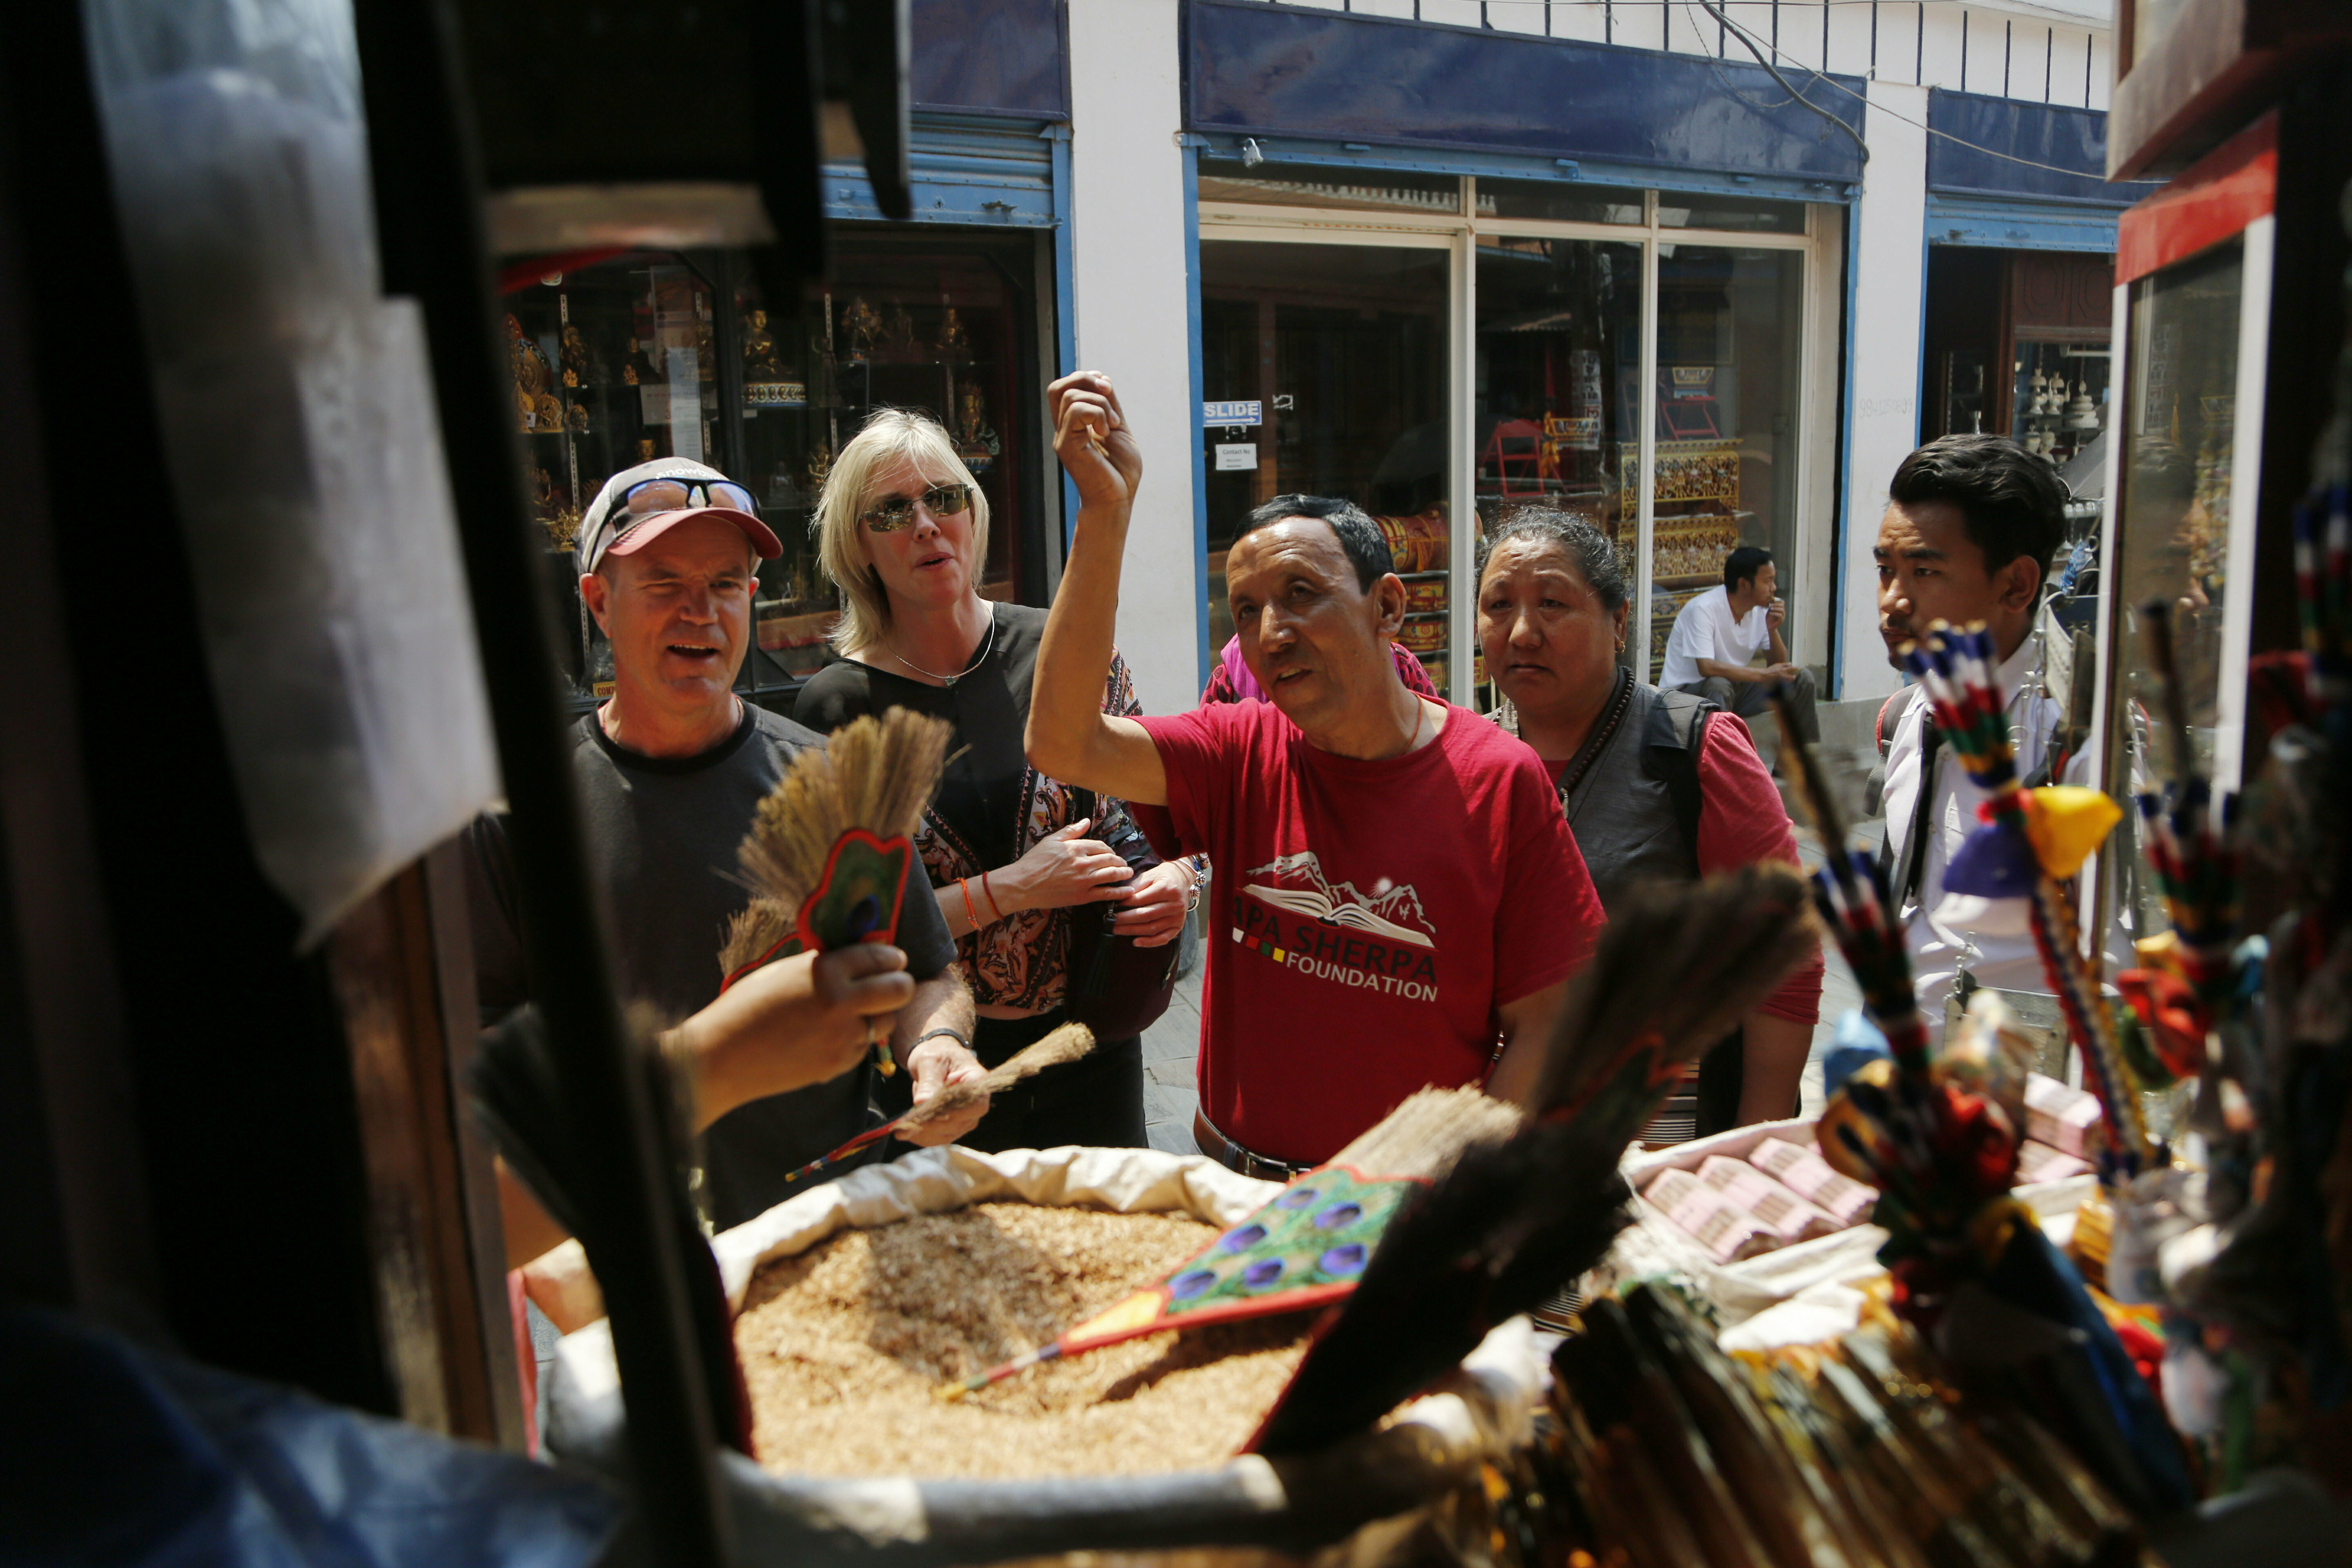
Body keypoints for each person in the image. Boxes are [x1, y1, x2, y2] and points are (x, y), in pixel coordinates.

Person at [1025, 374, 1605, 1178]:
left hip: (1407, 1220)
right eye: (1247, 610)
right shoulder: (1235, 752)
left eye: (1303, 594)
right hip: (1240, 1189)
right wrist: (1105, 513)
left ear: (1388, 607)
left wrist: (1447, 1186)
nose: (1273, 632)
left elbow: (1552, 1021)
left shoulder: (1497, 781)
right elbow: (1062, 742)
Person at [464, 457, 985, 1235]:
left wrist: (939, 1044)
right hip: (630, 1261)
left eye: (726, 583)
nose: (699, 612)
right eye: (665, 583)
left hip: (831, 1234)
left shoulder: (840, 780)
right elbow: (485, 1064)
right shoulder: (519, 821)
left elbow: (925, 971)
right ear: (599, 602)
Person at [793, 410, 1194, 1151]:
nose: (925, 525)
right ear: (858, 547)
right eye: (892, 510)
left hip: (1093, 1044)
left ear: (972, 512)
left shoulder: (1060, 646)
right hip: (940, 1064)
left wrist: (1178, 880)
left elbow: (1163, 820)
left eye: (944, 498)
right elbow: (853, 933)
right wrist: (1014, 888)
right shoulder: (839, 706)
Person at [1477, 510, 1822, 1137]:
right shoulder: (1471, 756)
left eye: (1552, 603)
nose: (1522, 632)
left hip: (1662, 1136)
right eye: (1499, 605)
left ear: (1618, 621)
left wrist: (1751, 1147)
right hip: (1507, 1141)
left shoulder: (1695, 749)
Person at [1874, 434, 2077, 1038]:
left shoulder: (2078, 745)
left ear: (2016, 585)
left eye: (1925, 571)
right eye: (1885, 570)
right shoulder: (1907, 716)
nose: (1892, 602)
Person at [1659, 545, 1819, 750]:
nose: (1774, 588)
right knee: (1718, 684)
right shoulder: (1703, 608)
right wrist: (1763, 675)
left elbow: (1778, 665)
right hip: (1687, 696)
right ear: (1744, 585)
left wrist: (1773, 630)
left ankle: (1793, 762)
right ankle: (1722, 762)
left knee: (1801, 679)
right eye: (1768, 581)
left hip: (1733, 689)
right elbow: (1706, 668)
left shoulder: (1759, 611)